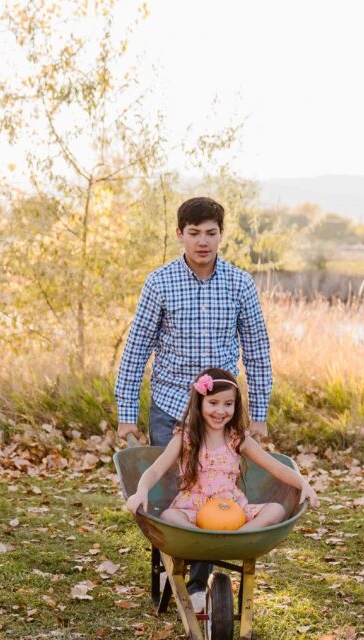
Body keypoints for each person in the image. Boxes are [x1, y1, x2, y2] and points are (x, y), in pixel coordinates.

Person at [115, 196, 274, 605]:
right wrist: (126, 414)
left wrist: (259, 414)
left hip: (220, 412)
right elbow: (137, 349)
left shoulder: (239, 284)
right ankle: (177, 564)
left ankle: (198, 584)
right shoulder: (160, 283)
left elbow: (256, 350)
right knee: (173, 495)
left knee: (214, 492)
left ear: (221, 235)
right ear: (179, 234)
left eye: (211, 233)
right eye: (194, 233)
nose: (203, 241)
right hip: (171, 405)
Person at [125, 369, 319, 610]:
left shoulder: (238, 438)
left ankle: (242, 535)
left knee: (277, 509)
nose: (221, 410)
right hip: (193, 508)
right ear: (200, 402)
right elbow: (155, 470)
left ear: (236, 406)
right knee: (168, 516)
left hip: (231, 509)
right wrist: (141, 490)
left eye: (228, 404)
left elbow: (276, 468)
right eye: (213, 403)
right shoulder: (185, 437)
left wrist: (304, 485)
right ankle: (191, 548)